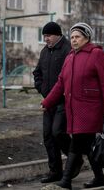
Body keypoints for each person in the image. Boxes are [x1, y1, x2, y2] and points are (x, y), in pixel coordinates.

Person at [41, 22, 104, 189]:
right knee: (87, 144)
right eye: (72, 37)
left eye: (78, 37)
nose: (74, 40)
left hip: (91, 108)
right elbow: (60, 83)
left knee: (77, 143)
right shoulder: (70, 57)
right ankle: (99, 178)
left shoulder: (96, 54)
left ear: (86, 38)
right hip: (74, 109)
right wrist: (47, 102)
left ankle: (66, 181)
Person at [33, 21, 72, 183]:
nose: (46, 39)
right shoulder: (45, 51)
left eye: (48, 36)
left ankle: (74, 159)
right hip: (48, 101)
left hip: (63, 101)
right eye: (44, 36)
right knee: (48, 136)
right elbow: (37, 73)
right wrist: (42, 89)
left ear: (57, 35)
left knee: (58, 132)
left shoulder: (68, 50)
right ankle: (55, 171)